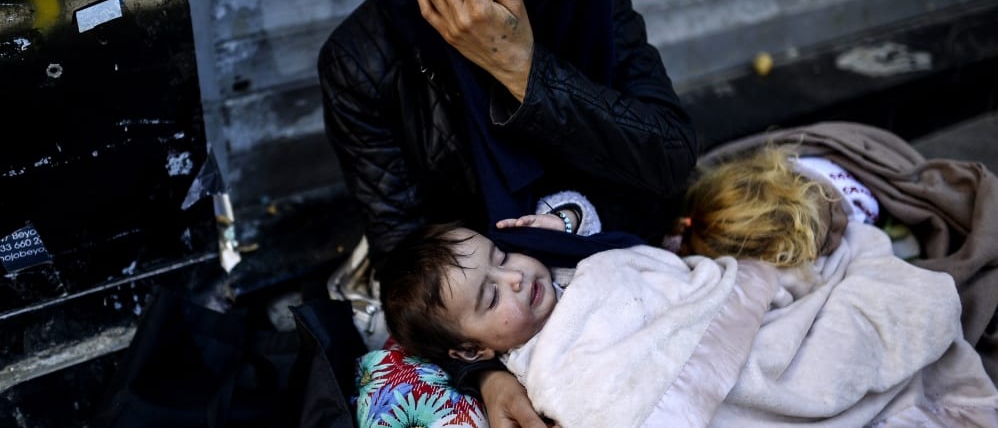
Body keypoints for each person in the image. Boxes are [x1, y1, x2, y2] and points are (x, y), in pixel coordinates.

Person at [318, 0, 697, 424]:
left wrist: (525, 72)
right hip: (495, 320)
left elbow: (671, 159)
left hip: (625, 253)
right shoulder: (364, 66)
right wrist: (485, 374)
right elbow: (406, 258)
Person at [377, 147, 998, 427]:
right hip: (687, 382)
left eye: (503, 256)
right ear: (469, 350)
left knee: (843, 300)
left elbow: (629, 256)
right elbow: (616, 402)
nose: (516, 276)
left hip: (731, 313)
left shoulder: (563, 270)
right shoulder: (546, 367)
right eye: (491, 297)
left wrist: (562, 226)